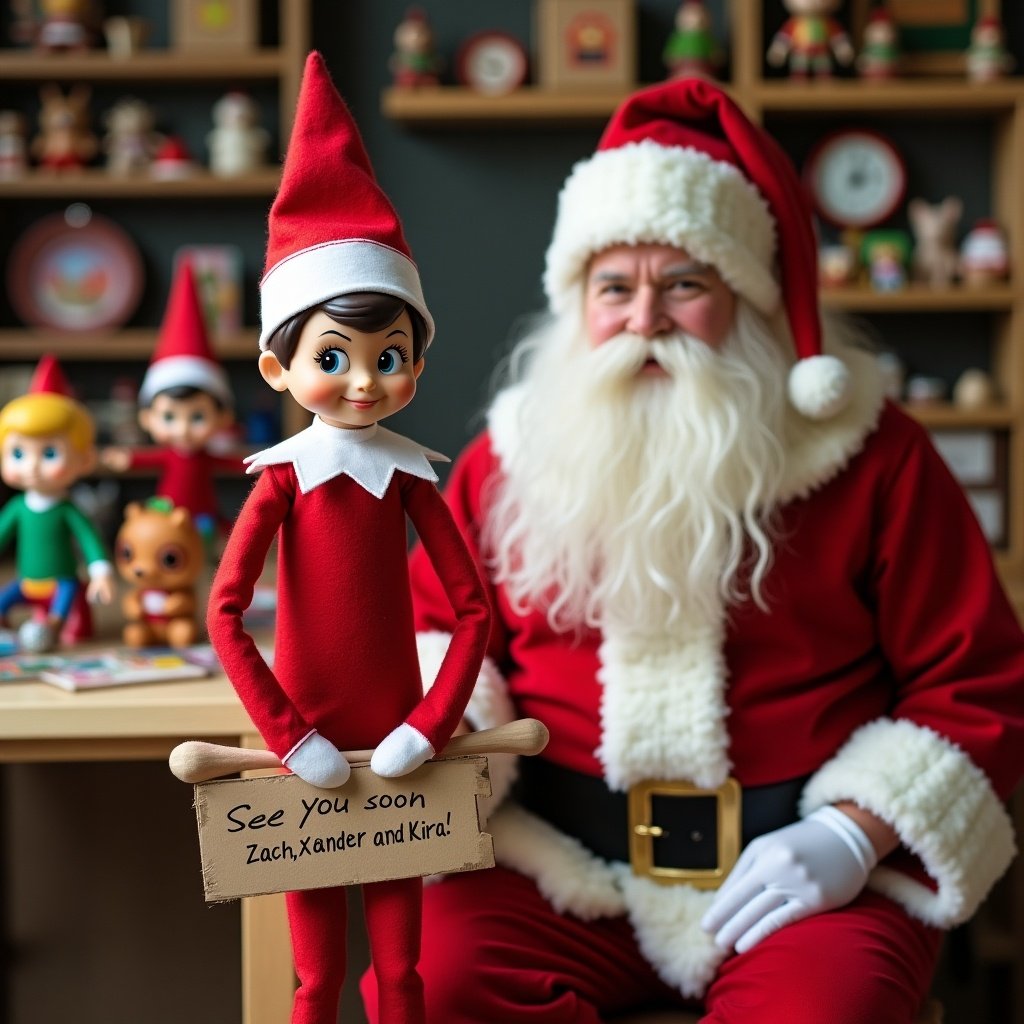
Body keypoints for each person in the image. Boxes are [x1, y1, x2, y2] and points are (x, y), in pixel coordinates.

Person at [363, 78, 1024, 1023]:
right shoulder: (505, 461)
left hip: (801, 877)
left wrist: (853, 832)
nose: (644, 321)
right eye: (614, 289)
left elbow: (978, 684)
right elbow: (438, 637)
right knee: (432, 982)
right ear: (576, 303)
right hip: (553, 856)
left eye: (684, 285)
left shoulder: (875, 459)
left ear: (745, 301)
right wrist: (446, 733)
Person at [206, 53, 491, 1024]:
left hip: (403, 752)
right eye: (333, 357)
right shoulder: (280, 479)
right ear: (278, 367)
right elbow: (225, 609)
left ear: (416, 360)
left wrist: (430, 723)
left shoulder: (413, 478)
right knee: (315, 980)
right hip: (310, 759)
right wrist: (290, 737)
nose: (364, 381)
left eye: (389, 357)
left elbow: (473, 609)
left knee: (404, 976)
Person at [102, 259, 243, 546]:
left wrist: (260, 463)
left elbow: (231, 462)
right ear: (146, 418)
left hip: (205, 515)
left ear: (224, 417)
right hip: (166, 513)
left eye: (197, 417)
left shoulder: (205, 456)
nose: (182, 429)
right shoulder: (170, 454)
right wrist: (126, 459)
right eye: (169, 417)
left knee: (214, 548)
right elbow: (146, 459)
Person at [0, 354, 114, 651]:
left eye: (49, 454)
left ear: (85, 459)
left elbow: (90, 541)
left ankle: (52, 625)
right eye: (19, 454)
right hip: (27, 582)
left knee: (61, 618)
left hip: (64, 583)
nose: (32, 466)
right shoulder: (18, 508)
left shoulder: (68, 510)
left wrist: (100, 572)